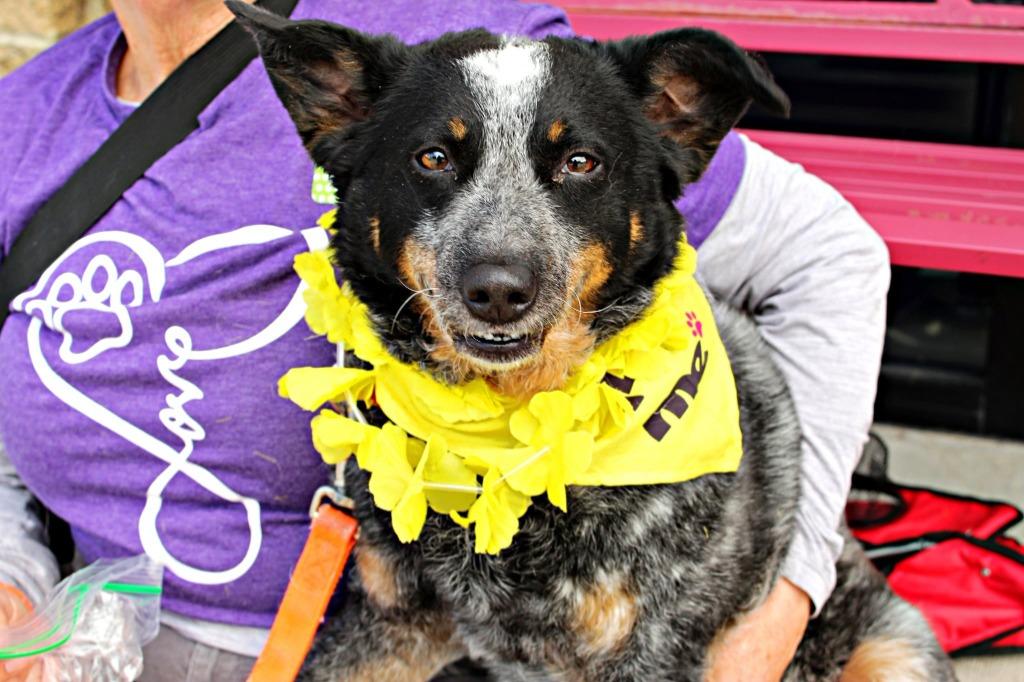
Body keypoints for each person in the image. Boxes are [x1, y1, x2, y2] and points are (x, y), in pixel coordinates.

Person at [0, 0, 889, 679]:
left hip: (375, 630)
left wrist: (789, 597)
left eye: (571, 167)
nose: (500, 276)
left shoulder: (473, 45)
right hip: (82, 633)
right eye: (435, 163)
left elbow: (827, 257)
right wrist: (12, 572)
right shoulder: (24, 113)